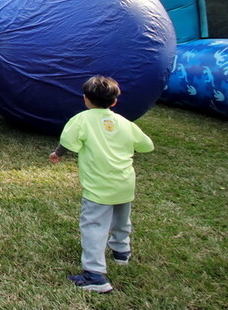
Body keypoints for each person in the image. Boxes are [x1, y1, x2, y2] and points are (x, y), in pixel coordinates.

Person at [49, 75, 155, 293]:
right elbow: (147, 146)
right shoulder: (125, 123)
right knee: (121, 219)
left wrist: (57, 153)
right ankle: (121, 252)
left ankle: (94, 275)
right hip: (125, 184)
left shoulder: (82, 119)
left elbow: (68, 141)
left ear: (85, 99)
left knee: (94, 226)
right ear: (115, 101)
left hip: (98, 187)